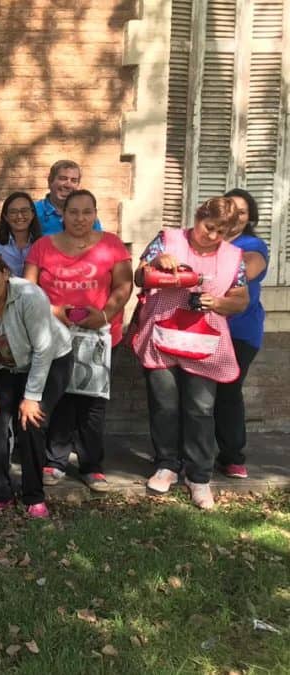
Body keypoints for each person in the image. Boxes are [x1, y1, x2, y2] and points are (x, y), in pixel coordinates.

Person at [132, 197, 248, 510]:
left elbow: (241, 298)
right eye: (209, 227)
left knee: (201, 408)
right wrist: (157, 263)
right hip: (162, 334)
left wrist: (219, 303)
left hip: (204, 340)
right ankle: (167, 464)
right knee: (164, 405)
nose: (212, 235)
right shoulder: (167, 240)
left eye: (221, 232)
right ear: (197, 217)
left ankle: (199, 476)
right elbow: (139, 277)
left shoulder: (233, 256)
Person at [23, 190, 132, 492]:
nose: (80, 218)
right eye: (73, 212)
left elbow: (124, 285)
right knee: (58, 398)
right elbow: (27, 289)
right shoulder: (43, 247)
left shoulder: (112, 245)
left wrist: (105, 314)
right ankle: (55, 460)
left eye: (87, 212)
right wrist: (54, 311)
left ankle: (91, 465)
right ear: (63, 214)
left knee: (92, 402)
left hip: (99, 336)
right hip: (54, 336)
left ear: (95, 214)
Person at [0, 255, 74, 517]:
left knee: (31, 422)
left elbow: (43, 349)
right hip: (4, 365)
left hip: (50, 360)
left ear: (5, 274)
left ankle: (33, 496)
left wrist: (32, 397)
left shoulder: (29, 295)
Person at [214, 189, 268, 479]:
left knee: (228, 391)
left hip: (240, 331)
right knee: (195, 395)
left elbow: (248, 268)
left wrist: (205, 260)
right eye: (230, 209)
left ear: (250, 218)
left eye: (243, 211)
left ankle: (232, 456)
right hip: (204, 329)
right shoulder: (206, 238)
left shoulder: (253, 244)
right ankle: (189, 455)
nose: (236, 216)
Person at [33, 160, 103, 235]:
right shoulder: (34, 212)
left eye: (74, 181)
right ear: (50, 181)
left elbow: (98, 240)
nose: (68, 185)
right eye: (63, 178)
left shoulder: (86, 214)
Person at [0, 192, 43, 276]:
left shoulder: (43, 246)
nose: (19, 216)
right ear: (5, 217)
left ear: (32, 214)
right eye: (13, 212)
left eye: (24, 211)